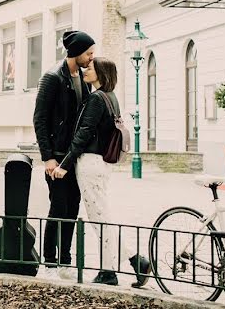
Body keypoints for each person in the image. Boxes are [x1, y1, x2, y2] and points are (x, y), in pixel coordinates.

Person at [52, 57, 151, 287]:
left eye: (91, 68)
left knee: (100, 220)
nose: (86, 70)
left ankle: (112, 271)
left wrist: (63, 165)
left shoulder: (97, 99)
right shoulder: (111, 97)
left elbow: (83, 135)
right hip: (101, 165)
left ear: (101, 73)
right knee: (102, 217)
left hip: (90, 164)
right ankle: (133, 263)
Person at [32, 30, 96, 279]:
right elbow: (40, 119)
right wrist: (47, 157)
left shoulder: (81, 76)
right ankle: (50, 258)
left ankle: (65, 258)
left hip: (73, 157)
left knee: (73, 207)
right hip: (56, 156)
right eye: (89, 53)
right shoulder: (52, 77)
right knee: (58, 206)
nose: (91, 58)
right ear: (77, 52)